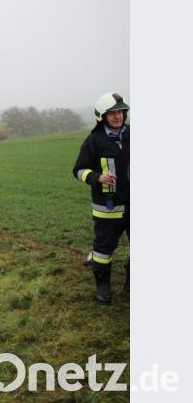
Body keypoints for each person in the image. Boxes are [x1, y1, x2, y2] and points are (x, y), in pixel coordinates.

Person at [72, 92, 130, 304]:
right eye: (112, 113)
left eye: (121, 112)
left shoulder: (132, 135)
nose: (118, 116)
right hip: (108, 208)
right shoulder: (94, 141)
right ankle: (103, 288)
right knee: (103, 251)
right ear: (102, 117)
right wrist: (97, 177)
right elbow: (78, 171)